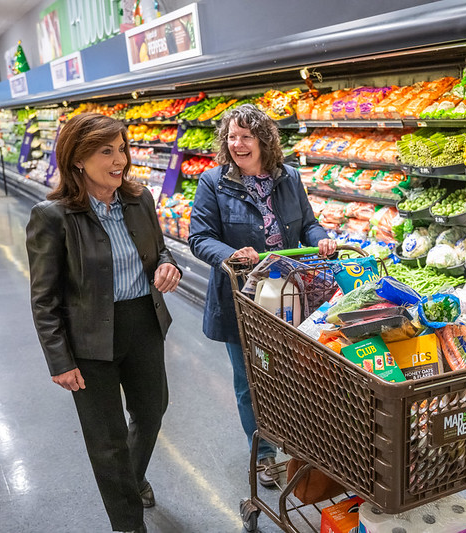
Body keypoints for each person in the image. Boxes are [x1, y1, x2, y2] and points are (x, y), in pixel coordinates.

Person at [26, 113, 180, 533]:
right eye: (106, 151)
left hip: (143, 323)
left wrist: (169, 267)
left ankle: (130, 481)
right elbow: (44, 298)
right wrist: (59, 359)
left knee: (151, 412)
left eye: (122, 148)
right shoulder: (53, 216)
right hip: (88, 337)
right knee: (107, 439)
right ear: (77, 159)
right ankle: (128, 524)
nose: (120, 160)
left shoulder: (139, 199)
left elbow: (161, 251)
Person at [189, 104, 336, 487]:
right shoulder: (213, 182)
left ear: (264, 140)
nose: (237, 144)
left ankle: (298, 442)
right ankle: (264, 454)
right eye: (231, 137)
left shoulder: (289, 177)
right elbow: (199, 238)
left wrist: (321, 241)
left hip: (288, 295)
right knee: (250, 378)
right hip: (242, 298)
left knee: (292, 375)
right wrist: (231, 254)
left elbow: (308, 224)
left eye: (246, 136)